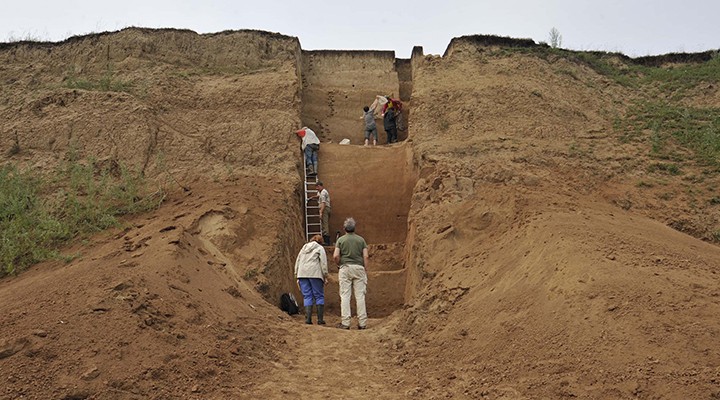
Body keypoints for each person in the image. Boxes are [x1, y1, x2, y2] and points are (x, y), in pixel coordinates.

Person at [333, 217, 369, 330]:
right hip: (359, 268)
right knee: (360, 296)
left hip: (345, 268)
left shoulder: (340, 240)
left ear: (344, 229)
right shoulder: (361, 240)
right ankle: (362, 323)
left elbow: (335, 255)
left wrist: (339, 264)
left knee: (345, 296)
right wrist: (365, 268)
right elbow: (366, 256)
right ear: (354, 228)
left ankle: (345, 323)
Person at [294, 234, 328, 325]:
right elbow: (323, 263)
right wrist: (325, 275)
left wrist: (296, 274)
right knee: (319, 296)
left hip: (302, 274)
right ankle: (320, 320)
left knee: (307, 296)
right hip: (315, 274)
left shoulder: (304, 248)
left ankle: (308, 319)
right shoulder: (320, 248)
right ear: (321, 242)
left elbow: (298, 261)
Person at [315, 181, 331, 245]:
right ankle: (326, 240)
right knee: (324, 224)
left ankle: (327, 242)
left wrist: (321, 212)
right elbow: (318, 197)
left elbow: (323, 203)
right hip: (325, 208)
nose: (317, 189)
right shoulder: (321, 192)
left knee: (325, 224)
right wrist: (312, 198)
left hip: (325, 209)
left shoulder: (323, 193)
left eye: (317, 187)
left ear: (320, 186)